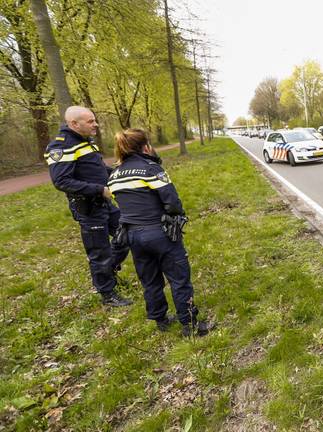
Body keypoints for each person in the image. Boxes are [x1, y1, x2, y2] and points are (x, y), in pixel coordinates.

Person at [107, 128, 214, 336]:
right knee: (179, 278)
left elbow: (119, 202)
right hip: (159, 233)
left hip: (132, 236)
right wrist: (177, 216)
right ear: (145, 146)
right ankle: (190, 325)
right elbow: (172, 202)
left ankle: (161, 320)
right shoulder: (151, 169)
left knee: (150, 280)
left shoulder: (115, 174)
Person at [45, 106, 131, 307]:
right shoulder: (60, 147)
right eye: (90, 122)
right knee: (99, 252)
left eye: (94, 120)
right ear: (74, 124)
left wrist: (121, 173)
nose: (96, 125)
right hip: (89, 208)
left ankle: (109, 272)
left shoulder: (85, 142)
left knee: (126, 234)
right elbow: (62, 181)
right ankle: (107, 294)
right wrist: (99, 190)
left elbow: (99, 169)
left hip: (104, 203)